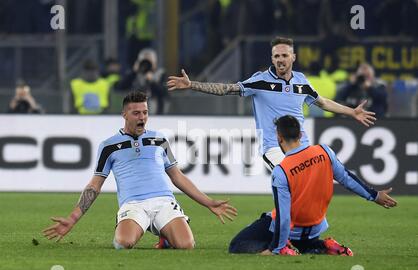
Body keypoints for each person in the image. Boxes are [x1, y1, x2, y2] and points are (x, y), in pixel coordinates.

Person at [42, 91, 237, 250]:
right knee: (123, 243)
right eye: (136, 113)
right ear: (124, 115)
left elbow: (177, 176)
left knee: (186, 245)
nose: (142, 117)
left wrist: (209, 202)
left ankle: (166, 237)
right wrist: (73, 218)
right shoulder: (108, 146)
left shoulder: (159, 140)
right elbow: (95, 185)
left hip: (164, 202)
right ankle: (145, 228)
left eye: (145, 112)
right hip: (133, 205)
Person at [167, 36, 376, 171]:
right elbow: (226, 89)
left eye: (285, 55)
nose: (280, 59)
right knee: (290, 179)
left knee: (310, 186)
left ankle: (298, 231)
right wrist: (192, 84)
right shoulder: (260, 81)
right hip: (273, 147)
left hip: (301, 145)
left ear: (293, 57)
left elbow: (322, 103)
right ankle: (281, 231)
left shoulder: (301, 81)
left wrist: (352, 112)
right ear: (272, 58)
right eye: (276, 56)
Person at [229, 115, 397, 256]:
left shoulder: (281, 171)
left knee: (238, 244)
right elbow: (347, 178)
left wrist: (276, 249)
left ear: (279, 138)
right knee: (303, 243)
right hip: (315, 227)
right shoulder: (324, 152)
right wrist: (374, 195)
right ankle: (324, 246)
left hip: (294, 228)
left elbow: (284, 216)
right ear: (300, 135)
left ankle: (284, 247)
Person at [115, 48, 167, 115]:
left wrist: (152, 82)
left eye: (149, 61)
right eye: (144, 61)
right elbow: (120, 87)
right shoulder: (133, 75)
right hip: (134, 113)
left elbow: (164, 94)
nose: (146, 65)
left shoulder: (161, 74)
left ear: (155, 62)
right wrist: (133, 73)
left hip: (155, 113)